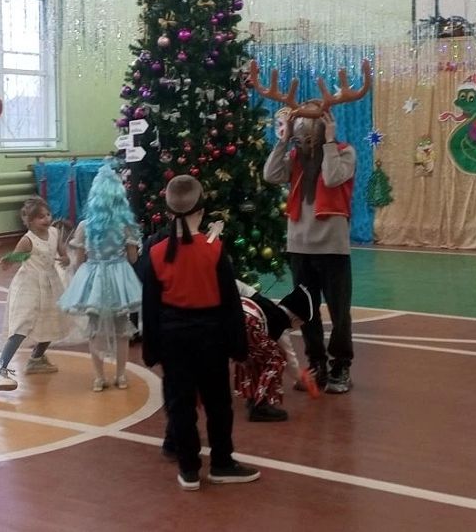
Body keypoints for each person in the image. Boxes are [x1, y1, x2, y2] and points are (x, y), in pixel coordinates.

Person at [142, 175, 259, 491]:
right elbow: (230, 304)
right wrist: (238, 347)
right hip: (211, 339)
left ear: (168, 213)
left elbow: (150, 307)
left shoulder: (155, 253)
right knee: (218, 404)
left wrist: (152, 349)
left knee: (180, 406)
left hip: (173, 341)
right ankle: (221, 463)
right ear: (202, 212)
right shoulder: (215, 250)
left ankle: (189, 469)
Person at [263, 103, 356, 394]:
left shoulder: (344, 152)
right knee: (306, 311)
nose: (303, 139)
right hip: (300, 247)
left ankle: (341, 365)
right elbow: (271, 174)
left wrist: (328, 142)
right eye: (299, 132)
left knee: (339, 312)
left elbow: (332, 177)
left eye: (308, 131)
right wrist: (283, 140)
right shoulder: (294, 158)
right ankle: (317, 364)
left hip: (332, 248)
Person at [58, 163, 142, 392]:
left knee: (94, 329)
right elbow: (133, 258)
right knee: (122, 329)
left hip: (94, 278)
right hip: (120, 279)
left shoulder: (85, 226)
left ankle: (99, 377)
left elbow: (79, 261)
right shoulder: (125, 226)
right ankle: (121, 376)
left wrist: (80, 279)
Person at [0, 198, 69, 391]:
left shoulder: (54, 233)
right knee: (21, 325)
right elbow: (16, 257)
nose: (46, 219)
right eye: (40, 217)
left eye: (48, 214)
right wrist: (8, 260)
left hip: (50, 284)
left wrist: (65, 259)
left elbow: (62, 253)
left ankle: (36, 359)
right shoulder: (27, 240)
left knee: (51, 321)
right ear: (30, 221)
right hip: (29, 286)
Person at [234, 281, 316, 421]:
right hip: (249, 324)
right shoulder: (281, 325)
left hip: (233, 319)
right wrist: (301, 377)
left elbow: (238, 285)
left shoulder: (265, 304)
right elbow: (289, 357)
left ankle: (252, 395)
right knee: (276, 359)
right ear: (296, 319)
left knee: (254, 356)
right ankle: (260, 406)